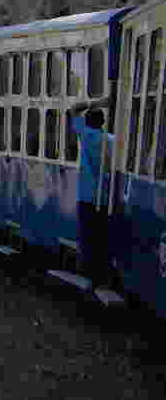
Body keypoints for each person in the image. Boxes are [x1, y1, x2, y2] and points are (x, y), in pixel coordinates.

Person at [70, 97, 114, 290]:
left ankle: (88, 274)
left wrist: (97, 102)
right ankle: (102, 273)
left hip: (86, 195)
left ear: (86, 123)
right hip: (105, 197)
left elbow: (74, 109)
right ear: (103, 123)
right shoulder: (111, 140)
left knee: (87, 236)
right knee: (101, 236)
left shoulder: (85, 135)